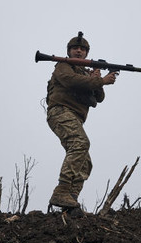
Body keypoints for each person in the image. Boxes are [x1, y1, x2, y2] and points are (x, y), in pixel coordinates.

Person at [44, 32, 117, 212]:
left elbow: (99, 98)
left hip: (75, 117)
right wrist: (100, 80)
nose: (79, 51)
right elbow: (70, 81)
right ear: (69, 51)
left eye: (82, 49)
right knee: (80, 143)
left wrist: (96, 80)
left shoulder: (85, 72)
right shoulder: (64, 66)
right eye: (75, 48)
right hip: (60, 111)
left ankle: (70, 200)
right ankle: (61, 191)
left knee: (84, 161)